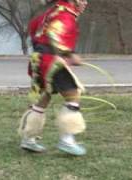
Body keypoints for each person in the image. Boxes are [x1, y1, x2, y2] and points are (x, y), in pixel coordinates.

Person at [18, 0, 88, 156]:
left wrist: (40, 47)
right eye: (82, 0)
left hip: (38, 59)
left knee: (44, 97)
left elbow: (34, 26)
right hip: (51, 62)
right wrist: (69, 54)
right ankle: (67, 141)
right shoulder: (65, 15)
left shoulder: (52, 12)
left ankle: (28, 139)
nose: (85, 3)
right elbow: (53, 33)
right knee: (73, 95)